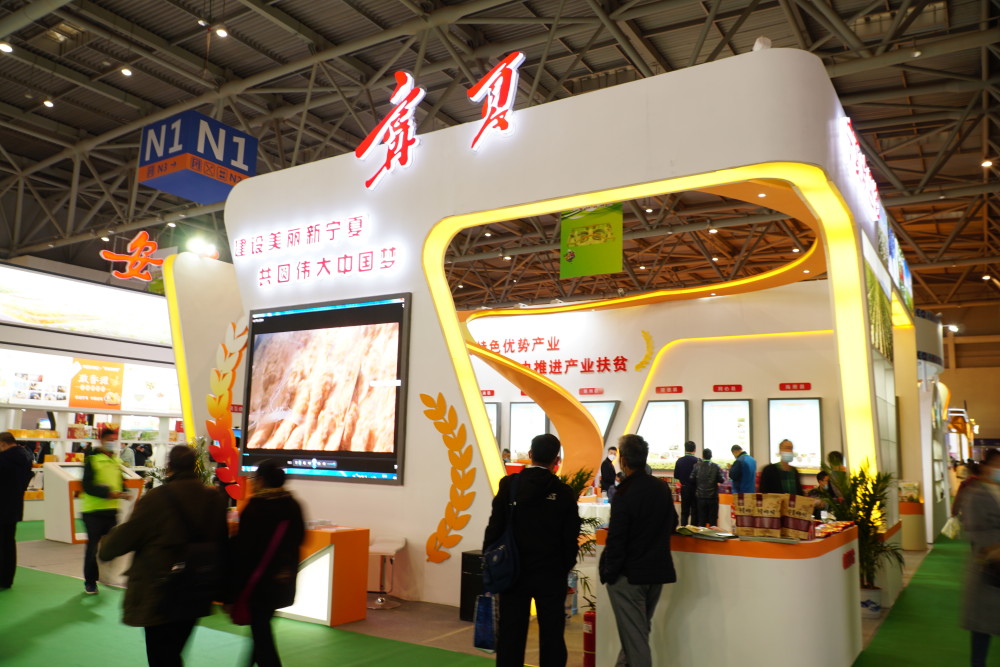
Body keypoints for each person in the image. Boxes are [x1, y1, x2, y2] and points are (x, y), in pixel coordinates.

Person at [100, 445, 228, 667]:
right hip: (198, 586)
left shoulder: (158, 498)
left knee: (161, 655)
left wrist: (106, 548)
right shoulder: (214, 498)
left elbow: (130, 534)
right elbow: (222, 544)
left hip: (161, 588)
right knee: (174, 651)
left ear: (170, 466)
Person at [482, 433, 581, 667]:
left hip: (512, 573)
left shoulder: (510, 485)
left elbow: (494, 529)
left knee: (511, 636)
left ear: (530, 454)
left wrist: (491, 563)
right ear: (556, 460)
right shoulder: (564, 492)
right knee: (552, 636)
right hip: (550, 574)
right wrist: (563, 567)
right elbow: (570, 538)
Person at [599, 434, 677, 667]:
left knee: (635, 639)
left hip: (629, 577)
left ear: (623, 460)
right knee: (638, 634)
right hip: (656, 573)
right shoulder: (661, 488)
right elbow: (672, 523)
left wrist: (609, 573)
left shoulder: (624, 492)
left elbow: (617, 538)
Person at [226, 459, 306, 667]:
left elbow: (244, 552)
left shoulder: (256, 508)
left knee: (261, 634)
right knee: (261, 628)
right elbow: (300, 539)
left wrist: (234, 590)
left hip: (258, 583)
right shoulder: (293, 504)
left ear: (261, 480)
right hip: (282, 580)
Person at [960, 448, 1000, 667]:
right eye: (997, 465)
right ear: (986, 467)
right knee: (982, 631)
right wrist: (994, 548)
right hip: (987, 571)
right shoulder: (976, 495)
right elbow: (976, 531)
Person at [81, 427, 128, 595]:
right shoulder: (92, 460)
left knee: (111, 547)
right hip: (93, 511)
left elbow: (120, 482)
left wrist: (124, 492)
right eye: (109, 440)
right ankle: (90, 582)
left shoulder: (116, 461)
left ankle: (108, 576)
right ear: (101, 440)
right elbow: (87, 485)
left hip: (111, 511)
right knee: (93, 548)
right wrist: (107, 493)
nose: (112, 443)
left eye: (114, 440)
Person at [0, 432, 33, 589]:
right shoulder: (26, 458)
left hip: (2, 505)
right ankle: (6, 579)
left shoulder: (3, 459)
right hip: (14, 506)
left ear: (2, 443)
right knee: (8, 542)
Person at [691, 448, 723, 527]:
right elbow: (721, 480)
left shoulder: (696, 466)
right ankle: (712, 534)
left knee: (701, 520)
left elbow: (691, 478)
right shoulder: (716, 466)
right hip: (713, 497)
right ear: (711, 456)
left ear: (703, 456)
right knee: (713, 520)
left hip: (700, 496)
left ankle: (702, 534)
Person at [673, 441, 699, 526]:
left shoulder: (679, 461)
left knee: (684, 511)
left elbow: (676, 475)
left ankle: (683, 528)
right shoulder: (698, 461)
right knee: (695, 511)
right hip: (695, 488)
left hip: (684, 488)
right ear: (694, 450)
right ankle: (693, 529)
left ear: (685, 449)